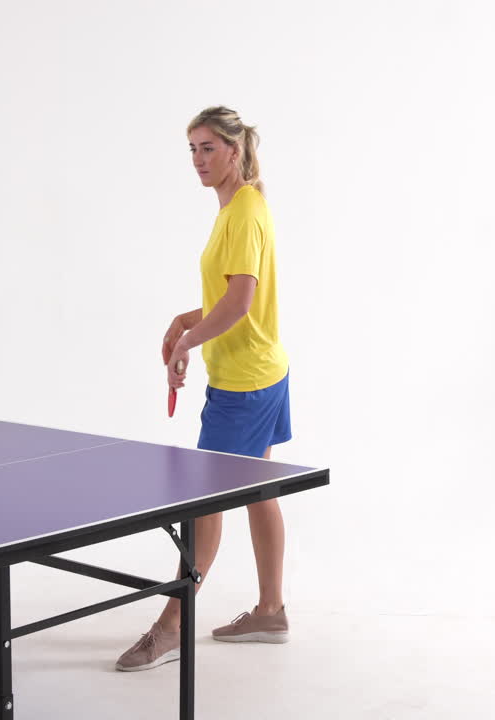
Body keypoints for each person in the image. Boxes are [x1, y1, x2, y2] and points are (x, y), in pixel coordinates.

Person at [116, 106, 293, 672]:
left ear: (234, 151)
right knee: (260, 491)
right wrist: (185, 318)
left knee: (203, 508)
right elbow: (233, 296)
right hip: (267, 372)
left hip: (241, 387)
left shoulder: (241, 212)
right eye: (192, 149)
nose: (198, 160)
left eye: (208, 148)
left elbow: (240, 304)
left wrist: (189, 340)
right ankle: (270, 611)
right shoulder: (241, 207)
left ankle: (169, 627)